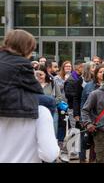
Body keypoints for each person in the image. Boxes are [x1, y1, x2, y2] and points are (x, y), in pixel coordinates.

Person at [0, 29, 60, 163]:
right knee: (49, 101)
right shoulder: (21, 62)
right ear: (26, 48)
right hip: (15, 101)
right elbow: (35, 87)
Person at [80, 64, 104, 163]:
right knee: (92, 145)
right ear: (96, 74)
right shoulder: (89, 86)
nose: (102, 74)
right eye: (100, 72)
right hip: (92, 119)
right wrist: (83, 120)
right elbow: (83, 103)